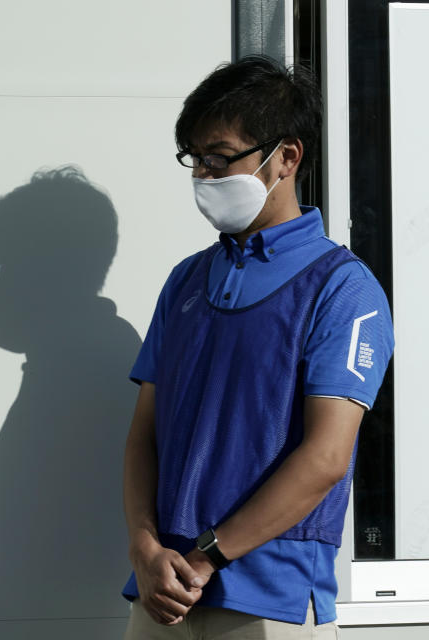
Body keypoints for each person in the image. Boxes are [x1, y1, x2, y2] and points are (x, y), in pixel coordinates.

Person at [121, 55, 393, 639]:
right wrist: (145, 548)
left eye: (220, 157)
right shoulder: (186, 281)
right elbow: (144, 434)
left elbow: (324, 461)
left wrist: (205, 558)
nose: (204, 175)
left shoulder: (343, 288)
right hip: (161, 594)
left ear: (285, 157)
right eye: (195, 159)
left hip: (271, 597)